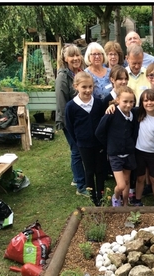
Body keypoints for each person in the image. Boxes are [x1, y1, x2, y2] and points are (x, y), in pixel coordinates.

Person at [65, 72, 107, 207]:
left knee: (100, 170)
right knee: (89, 170)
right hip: (83, 144)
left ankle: (101, 194)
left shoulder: (98, 103)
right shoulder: (71, 106)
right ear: (76, 86)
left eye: (90, 87)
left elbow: (102, 122)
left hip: (98, 143)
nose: (88, 90)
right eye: (84, 87)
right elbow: (70, 126)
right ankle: (92, 195)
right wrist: (78, 141)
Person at [55, 44, 89, 198]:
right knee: (77, 151)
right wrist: (67, 124)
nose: (76, 58)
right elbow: (61, 102)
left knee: (78, 150)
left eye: (78, 55)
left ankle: (76, 178)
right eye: (72, 56)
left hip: (81, 120)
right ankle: (81, 186)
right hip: (69, 121)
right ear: (65, 58)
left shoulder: (80, 72)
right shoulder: (63, 76)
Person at [95, 86, 138, 207]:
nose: (128, 105)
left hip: (129, 153)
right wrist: (110, 144)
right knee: (121, 185)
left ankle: (125, 203)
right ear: (118, 100)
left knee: (127, 181)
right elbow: (99, 132)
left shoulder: (133, 114)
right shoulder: (111, 113)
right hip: (115, 155)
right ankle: (116, 197)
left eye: (131, 102)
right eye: (125, 101)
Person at [133, 89, 154, 207]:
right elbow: (123, 107)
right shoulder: (138, 114)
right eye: (146, 100)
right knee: (140, 177)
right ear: (141, 102)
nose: (149, 103)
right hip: (140, 151)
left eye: (152, 100)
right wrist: (112, 106)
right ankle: (137, 200)